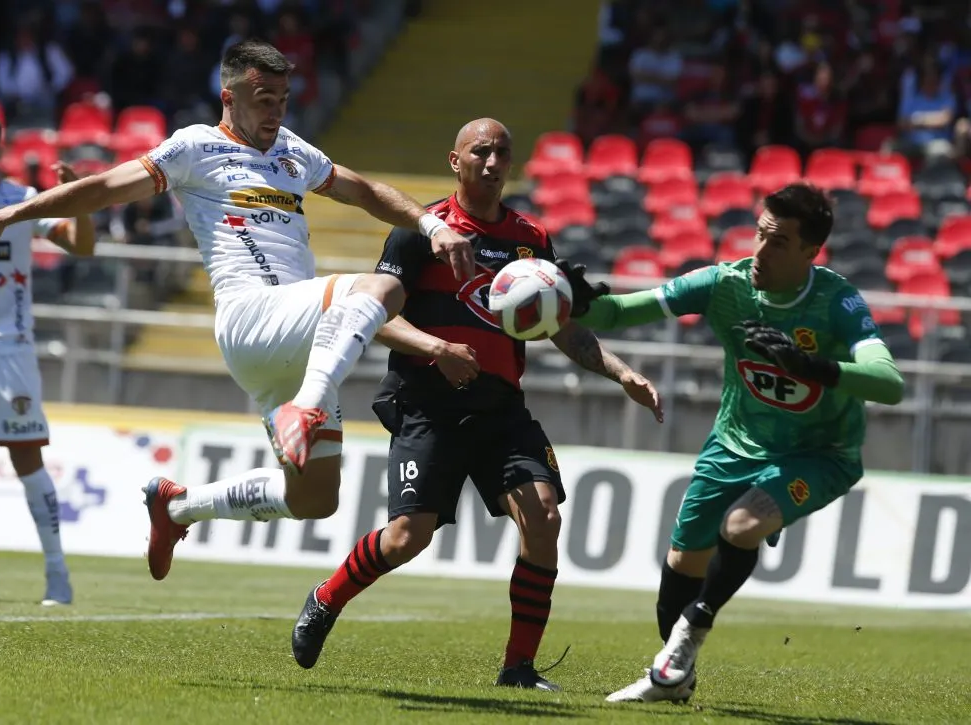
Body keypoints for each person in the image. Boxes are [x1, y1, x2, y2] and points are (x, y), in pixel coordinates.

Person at [0, 40, 475, 583]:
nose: (276, 111)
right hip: (251, 317)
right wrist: (12, 215)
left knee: (314, 498)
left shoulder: (293, 151)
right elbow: (106, 187)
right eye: (264, 99)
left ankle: (179, 507)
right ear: (229, 97)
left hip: (297, 340)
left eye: (283, 98)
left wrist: (432, 227)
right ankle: (304, 408)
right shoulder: (196, 147)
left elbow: (366, 192)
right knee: (380, 287)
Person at [288, 118, 664, 691]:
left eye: (502, 153)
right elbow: (373, 315)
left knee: (543, 516)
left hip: (499, 409)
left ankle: (518, 669)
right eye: (480, 151)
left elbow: (559, 326)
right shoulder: (420, 232)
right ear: (455, 160)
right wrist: (436, 349)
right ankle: (326, 598)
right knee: (407, 537)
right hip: (427, 405)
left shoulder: (530, 239)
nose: (492, 162)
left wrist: (622, 372)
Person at [565, 183, 905, 704]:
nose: (761, 250)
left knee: (741, 526)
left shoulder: (838, 301)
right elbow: (617, 313)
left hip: (819, 454)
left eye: (779, 242)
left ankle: (691, 634)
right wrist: (577, 301)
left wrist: (811, 365)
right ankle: (677, 680)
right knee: (682, 564)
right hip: (734, 442)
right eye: (760, 234)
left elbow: (889, 383)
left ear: (811, 252)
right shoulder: (723, 283)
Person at [0, 111, 95, 605]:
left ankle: (57, 574)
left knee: (27, 461)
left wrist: (78, 201)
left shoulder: (21, 201)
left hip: (9, 356)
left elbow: (81, 247)